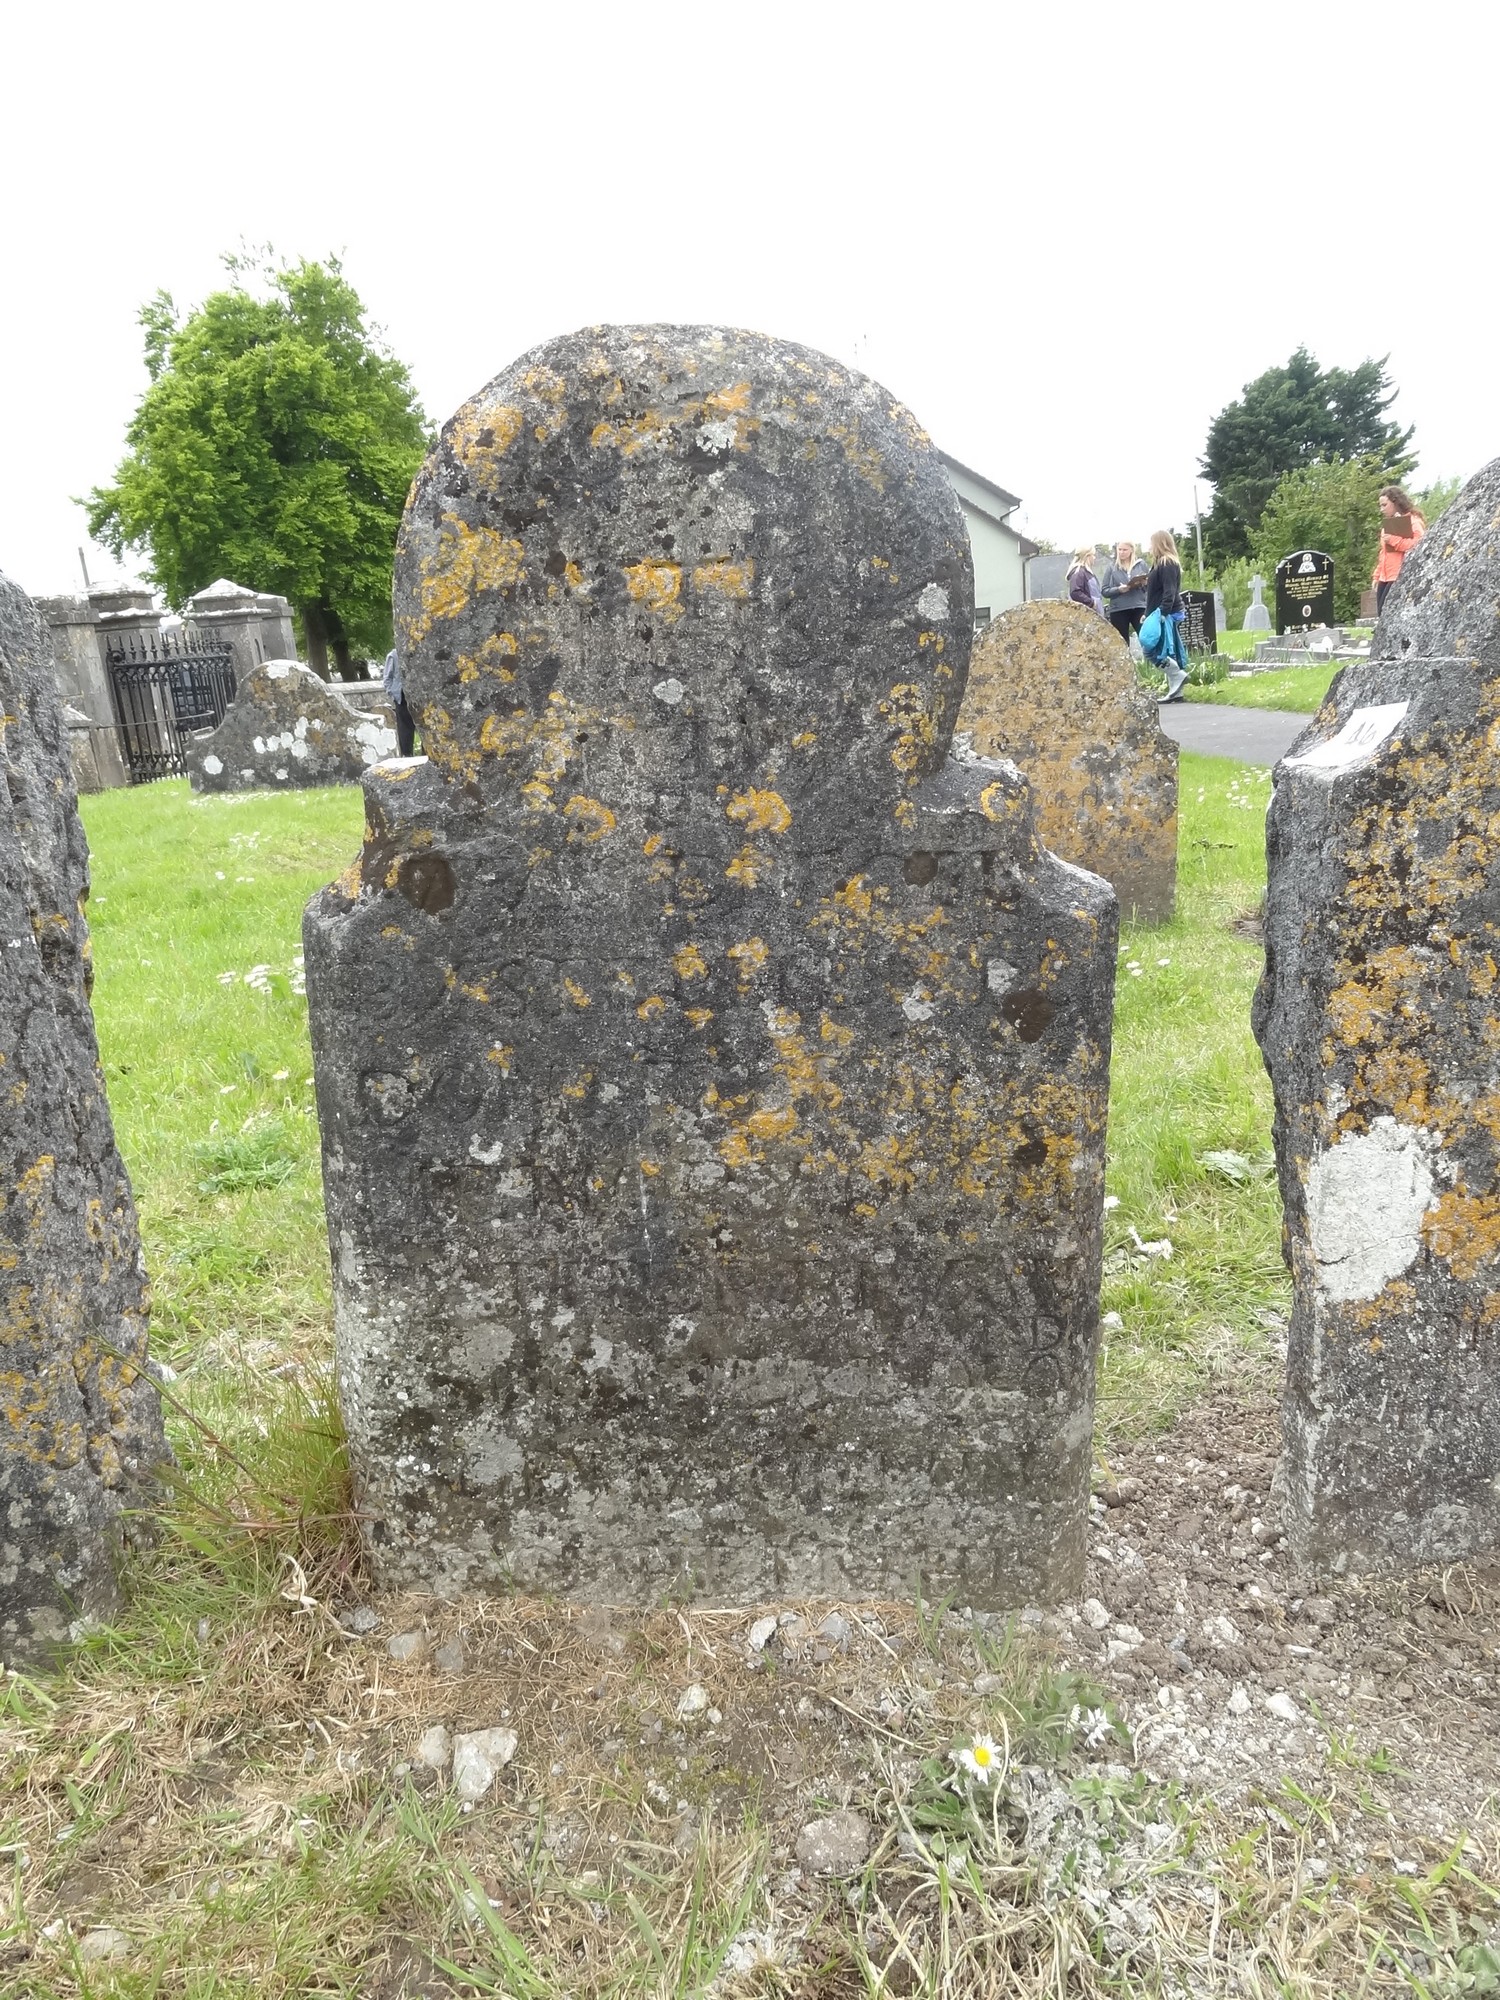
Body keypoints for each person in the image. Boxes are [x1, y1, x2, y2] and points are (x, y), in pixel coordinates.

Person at [1144, 530, 1188, 702]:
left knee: (1152, 649)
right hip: (1160, 612)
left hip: (1167, 612)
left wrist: (1162, 612)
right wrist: (1147, 614)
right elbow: (1155, 593)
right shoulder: (1160, 563)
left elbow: (1170, 591)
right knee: (1168, 650)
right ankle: (1176, 692)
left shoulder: (1166, 563)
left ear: (1159, 544)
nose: (1149, 547)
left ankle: (1177, 675)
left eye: (1151, 543)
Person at [1372, 485, 1426, 615]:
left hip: (1400, 574)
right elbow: (1384, 553)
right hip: (1385, 576)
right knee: (1381, 614)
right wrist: (1377, 575)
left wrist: (1394, 540)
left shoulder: (1413, 521)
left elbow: (1420, 545)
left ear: (1395, 502)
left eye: (1384, 505)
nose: (1382, 509)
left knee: (1388, 614)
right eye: (1380, 506)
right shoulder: (1389, 523)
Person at [1100, 540, 1150, 644]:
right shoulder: (1112, 567)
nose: (1121, 552)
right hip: (1119, 609)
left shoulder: (1141, 564)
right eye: (1119, 549)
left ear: (1131, 550)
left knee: (1147, 638)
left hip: (1139, 606)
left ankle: (1149, 656)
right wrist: (1118, 589)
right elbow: (1104, 590)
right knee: (1122, 643)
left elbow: (1150, 587)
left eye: (1125, 550)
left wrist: (1145, 583)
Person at [383, 646, 418, 757]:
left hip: (418, 695)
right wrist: (393, 693)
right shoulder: (393, 655)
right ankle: (407, 755)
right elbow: (387, 678)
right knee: (404, 729)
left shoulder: (418, 650)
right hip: (401, 696)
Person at [1066, 547, 1106, 617]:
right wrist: (1091, 603)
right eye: (1093, 555)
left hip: (1094, 614)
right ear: (1087, 556)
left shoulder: (1086, 572)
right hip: (1086, 615)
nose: (1094, 558)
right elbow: (1075, 592)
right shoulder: (1079, 572)